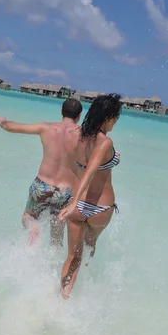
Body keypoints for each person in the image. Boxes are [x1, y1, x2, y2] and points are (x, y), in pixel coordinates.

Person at [57, 93, 122, 298]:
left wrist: (74, 200)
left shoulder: (79, 136)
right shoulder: (106, 142)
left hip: (76, 207)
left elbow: (81, 165)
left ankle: (62, 296)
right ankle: (82, 294)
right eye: (116, 117)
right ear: (107, 117)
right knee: (88, 250)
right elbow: (92, 169)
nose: (116, 121)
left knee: (72, 257)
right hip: (100, 209)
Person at [0, 98, 83, 248]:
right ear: (79, 115)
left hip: (41, 185)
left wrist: (4, 123)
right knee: (57, 236)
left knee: (27, 216)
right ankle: (51, 267)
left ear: (62, 111)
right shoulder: (83, 135)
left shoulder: (46, 127)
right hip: (64, 191)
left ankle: (33, 228)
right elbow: (100, 150)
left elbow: (14, 127)